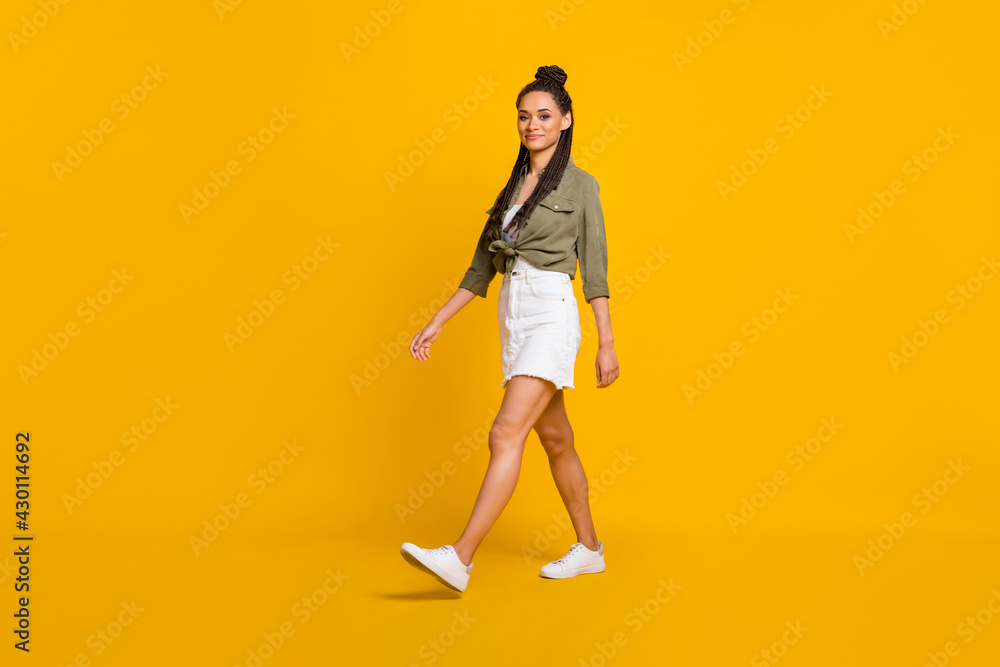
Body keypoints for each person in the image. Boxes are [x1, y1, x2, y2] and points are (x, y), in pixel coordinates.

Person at [400, 65, 619, 593]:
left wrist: (606, 341)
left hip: (550, 311)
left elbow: (595, 269)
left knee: (505, 433)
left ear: (565, 121)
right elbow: (479, 271)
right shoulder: (512, 187)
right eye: (524, 117)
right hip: (512, 313)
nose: (532, 125)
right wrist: (436, 322)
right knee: (555, 438)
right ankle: (589, 549)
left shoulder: (582, 186)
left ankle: (460, 557)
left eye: (544, 116)